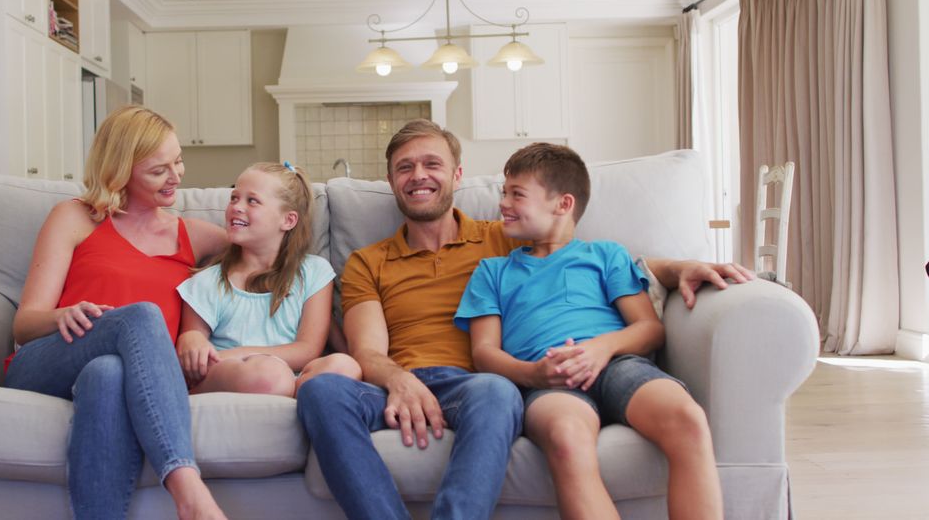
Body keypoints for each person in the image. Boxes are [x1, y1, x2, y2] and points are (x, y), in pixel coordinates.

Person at [296, 119, 752, 519]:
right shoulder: (366, 261)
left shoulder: (504, 238)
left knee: (496, 391)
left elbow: (587, 259)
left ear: (456, 175)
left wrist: (680, 267)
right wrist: (398, 380)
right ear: (392, 180)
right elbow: (368, 351)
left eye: (431, 164)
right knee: (321, 389)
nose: (419, 176)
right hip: (398, 385)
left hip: (475, 386)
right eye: (404, 167)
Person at [454, 142, 723, 519]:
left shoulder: (606, 255)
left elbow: (650, 328)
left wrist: (600, 348)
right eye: (503, 192)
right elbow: (483, 353)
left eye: (517, 194)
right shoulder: (492, 272)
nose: (503, 203)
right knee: (567, 438)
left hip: (618, 363)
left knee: (689, 420)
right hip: (546, 378)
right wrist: (534, 373)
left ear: (563, 204)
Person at [4, 106, 230, 520]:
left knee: (107, 372)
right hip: (49, 359)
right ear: (121, 170)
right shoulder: (75, 217)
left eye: (178, 161)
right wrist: (61, 316)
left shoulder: (193, 236)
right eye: (159, 170)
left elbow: (272, 259)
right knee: (141, 315)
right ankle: (188, 489)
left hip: (114, 371)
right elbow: (24, 323)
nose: (176, 176)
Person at [175, 162, 361, 397]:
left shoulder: (314, 272)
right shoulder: (207, 281)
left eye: (252, 201)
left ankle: (298, 392)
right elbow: (192, 341)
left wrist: (240, 352)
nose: (236, 207)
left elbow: (307, 349)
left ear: (288, 221)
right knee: (269, 374)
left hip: (289, 374)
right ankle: (285, 388)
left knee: (345, 365)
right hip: (232, 373)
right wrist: (191, 341)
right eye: (234, 198)